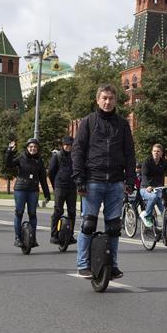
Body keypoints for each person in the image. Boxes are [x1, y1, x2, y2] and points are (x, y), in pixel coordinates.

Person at [71, 84, 136, 279]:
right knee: (88, 224)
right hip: (92, 181)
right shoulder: (88, 122)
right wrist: (79, 179)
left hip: (116, 182)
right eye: (104, 98)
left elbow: (129, 154)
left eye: (111, 98)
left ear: (116, 101)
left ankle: (113, 265)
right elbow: (78, 151)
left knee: (114, 227)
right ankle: (83, 264)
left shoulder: (122, 124)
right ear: (98, 100)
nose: (107, 102)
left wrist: (130, 179)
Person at [4, 137, 51, 249]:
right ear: (27, 148)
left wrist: (47, 194)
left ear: (37, 149)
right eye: (31, 147)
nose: (33, 148)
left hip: (33, 191)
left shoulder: (39, 161)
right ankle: (17, 238)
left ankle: (32, 238)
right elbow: (8, 164)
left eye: (35, 147)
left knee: (33, 214)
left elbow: (43, 179)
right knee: (19, 212)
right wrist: (9, 151)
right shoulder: (21, 157)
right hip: (20, 189)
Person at [48, 136, 77, 244]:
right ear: (62, 145)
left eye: (70, 145)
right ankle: (54, 235)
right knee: (58, 210)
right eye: (66, 145)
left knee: (72, 212)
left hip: (72, 187)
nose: (68, 147)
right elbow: (51, 172)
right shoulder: (57, 156)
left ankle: (70, 235)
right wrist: (55, 185)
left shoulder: (75, 156)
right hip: (60, 187)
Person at [139, 143, 167, 228]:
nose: (156, 153)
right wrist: (148, 186)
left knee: (165, 211)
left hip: (158, 189)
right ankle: (146, 215)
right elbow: (144, 175)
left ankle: (166, 230)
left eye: (158, 151)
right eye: (154, 151)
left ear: (161, 153)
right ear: (152, 152)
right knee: (153, 197)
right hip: (145, 189)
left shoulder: (164, 162)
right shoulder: (147, 162)